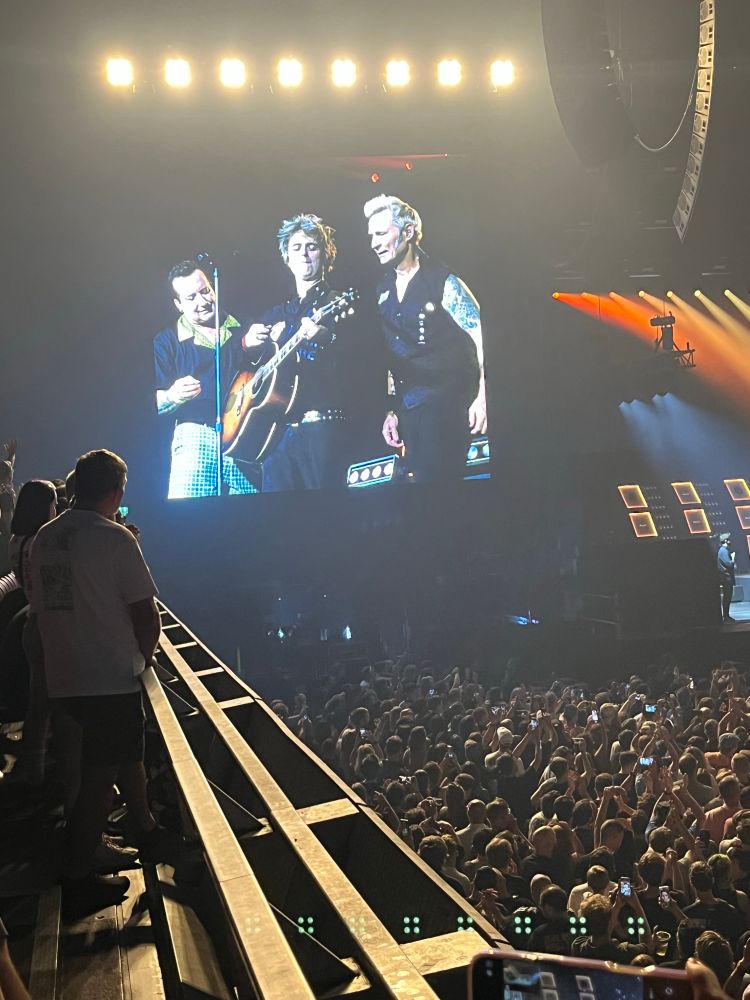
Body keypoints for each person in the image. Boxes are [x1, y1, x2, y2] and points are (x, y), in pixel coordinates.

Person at [27, 449, 163, 918]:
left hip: (62, 675)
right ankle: (78, 874)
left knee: (100, 766)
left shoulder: (44, 538)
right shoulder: (116, 540)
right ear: (115, 491)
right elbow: (147, 615)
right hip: (109, 678)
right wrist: (138, 661)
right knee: (98, 781)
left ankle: (134, 831)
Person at [363, 194, 487, 483]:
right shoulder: (382, 290)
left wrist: (483, 397)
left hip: (446, 409)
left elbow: (479, 334)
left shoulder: (441, 279)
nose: (374, 243)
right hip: (409, 413)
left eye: (381, 233)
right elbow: (390, 355)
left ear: (407, 232)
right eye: (371, 235)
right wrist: (391, 410)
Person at [244, 214, 352, 491]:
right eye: (296, 248)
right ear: (286, 258)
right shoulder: (278, 313)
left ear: (326, 255)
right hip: (276, 435)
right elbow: (240, 362)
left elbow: (355, 362)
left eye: (312, 247)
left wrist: (324, 339)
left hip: (321, 430)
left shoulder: (336, 303)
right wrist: (248, 342)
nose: (304, 255)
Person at [154, 262, 258, 498]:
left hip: (245, 435)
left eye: (205, 292)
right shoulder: (166, 341)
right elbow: (154, 402)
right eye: (191, 298)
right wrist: (173, 395)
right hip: (195, 436)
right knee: (190, 518)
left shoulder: (244, 327)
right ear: (178, 305)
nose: (202, 302)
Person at [717, 533, 736, 623]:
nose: (730, 540)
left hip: (727, 578)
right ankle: (726, 617)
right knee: (727, 598)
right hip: (726, 578)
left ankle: (726, 616)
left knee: (728, 598)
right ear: (725, 541)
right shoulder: (723, 551)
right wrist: (733, 558)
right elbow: (729, 564)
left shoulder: (723, 550)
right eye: (729, 539)